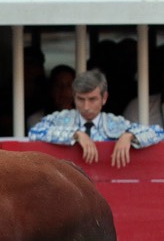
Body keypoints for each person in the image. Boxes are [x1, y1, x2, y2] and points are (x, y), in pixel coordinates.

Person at [29, 69, 164, 168]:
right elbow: (35, 132)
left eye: (92, 99)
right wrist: (76, 134)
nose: (86, 106)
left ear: (104, 98)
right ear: (74, 96)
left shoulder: (114, 123)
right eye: (81, 99)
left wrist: (129, 136)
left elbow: (158, 132)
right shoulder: (62, 118)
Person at [27, 64, 76, 129]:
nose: (63, 89)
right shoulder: (36, 119)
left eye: (68, 85)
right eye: (58, 84)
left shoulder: (84, 118)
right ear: (51, 89)